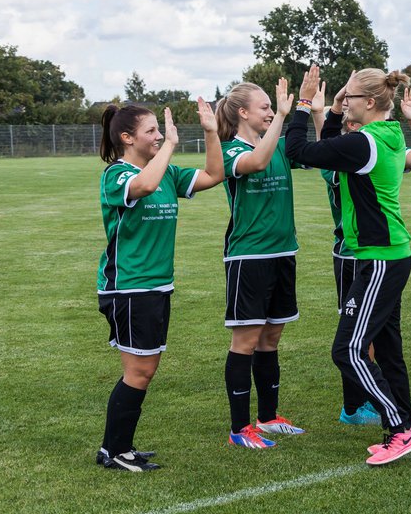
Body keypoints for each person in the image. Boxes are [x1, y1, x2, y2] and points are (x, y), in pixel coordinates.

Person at [285, 65, 411, 466]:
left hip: (379, 261)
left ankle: (402, 427)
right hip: (389, 256)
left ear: (369, 102)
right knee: (388, 350)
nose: (343, 100)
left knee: (348, 350)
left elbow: (299, 152)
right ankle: (398, 429)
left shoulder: (365, 142)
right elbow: (333, 148)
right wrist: (334, 112)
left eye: (349, 96)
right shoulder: (385, 136)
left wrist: (304, 103)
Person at [96, 100, 224, 471]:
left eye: (158, 130)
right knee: (139, 372)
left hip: (155, 287)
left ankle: (115, 448)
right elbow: (145, 184)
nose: (157, 136)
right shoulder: (116, 175)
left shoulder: (168, 172)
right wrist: (168, 144)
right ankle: (116, 451)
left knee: (143, 371)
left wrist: (211, 131)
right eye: (150, 130)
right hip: (130, 288)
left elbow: (215, 174)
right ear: (126, 137)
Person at [215, 80, 305, 449]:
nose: (270, 111)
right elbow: (258, 160)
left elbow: (303, 148)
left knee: (271, 338)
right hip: (249, 257)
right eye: (265, 107)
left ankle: (267, 417)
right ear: (242, 113)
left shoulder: (280, 146)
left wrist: (310, 107)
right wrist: (284, 116)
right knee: (246, 341)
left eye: (272, 107)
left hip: (283, 253)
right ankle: (239, 429)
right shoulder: (228, 151)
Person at [315, 83, 379, 426]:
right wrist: (324, 110)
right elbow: (322, 148)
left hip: (374, 251)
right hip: (351, 254)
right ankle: (354, 406)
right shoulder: (336, 166)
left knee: (374, 331)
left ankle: (367, 399)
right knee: (356, 332)